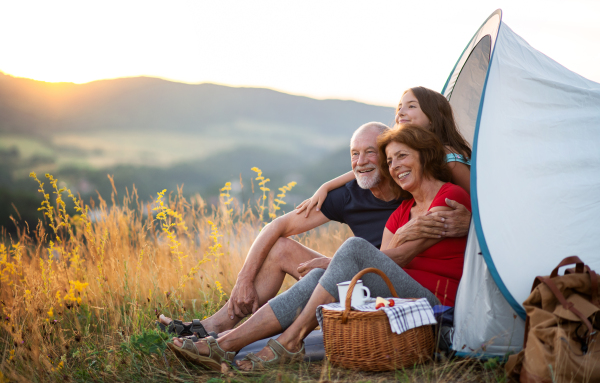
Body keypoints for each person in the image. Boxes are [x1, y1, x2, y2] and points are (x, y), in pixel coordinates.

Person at [166, 124, 472, 371]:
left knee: (353, 249)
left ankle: (289, 340)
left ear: (423, 156)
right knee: (322, 273)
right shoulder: (401, 212)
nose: (395, 166)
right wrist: (327, 193)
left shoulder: (450, 197)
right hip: (397, 297)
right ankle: (224, 343)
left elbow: (399, 255)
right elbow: (384, 262)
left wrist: (334, 262)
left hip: (434, 305)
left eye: (402, 157)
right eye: (391, 160)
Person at [296, 86, 471, 218]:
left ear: (434, 117)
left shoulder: (449, 156)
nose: (401, 112)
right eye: (399, 108)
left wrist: (467, 221)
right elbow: (372, 166)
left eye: (411, 106)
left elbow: (479, 204)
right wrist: (327, 186)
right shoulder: (414, 151)